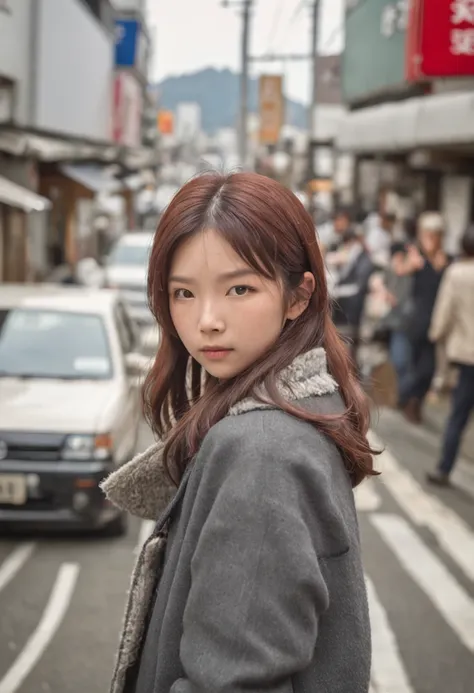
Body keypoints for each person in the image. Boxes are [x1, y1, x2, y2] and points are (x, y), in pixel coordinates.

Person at [102, 172, 375, 693]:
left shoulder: (262, 453)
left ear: (298, 296)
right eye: (184, 293)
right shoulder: (302, 407)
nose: (206, 320)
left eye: (240, 288)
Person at [427, 225, 474, 486]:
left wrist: (436, 334)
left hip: (466, 355)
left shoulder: (457, 273)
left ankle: (444, 469)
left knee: (458, 415)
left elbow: (444, 312)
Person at [394, 212, 449, 424]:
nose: (433, 239)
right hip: (416, 321)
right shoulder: (416, 257)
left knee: (427, 371)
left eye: (436, 235)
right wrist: (412, 261)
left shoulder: (445, 259)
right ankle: (409, 402)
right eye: (429, 234)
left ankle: (409, 400)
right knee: (414, 368)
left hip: (436, 322)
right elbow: (401, 270)